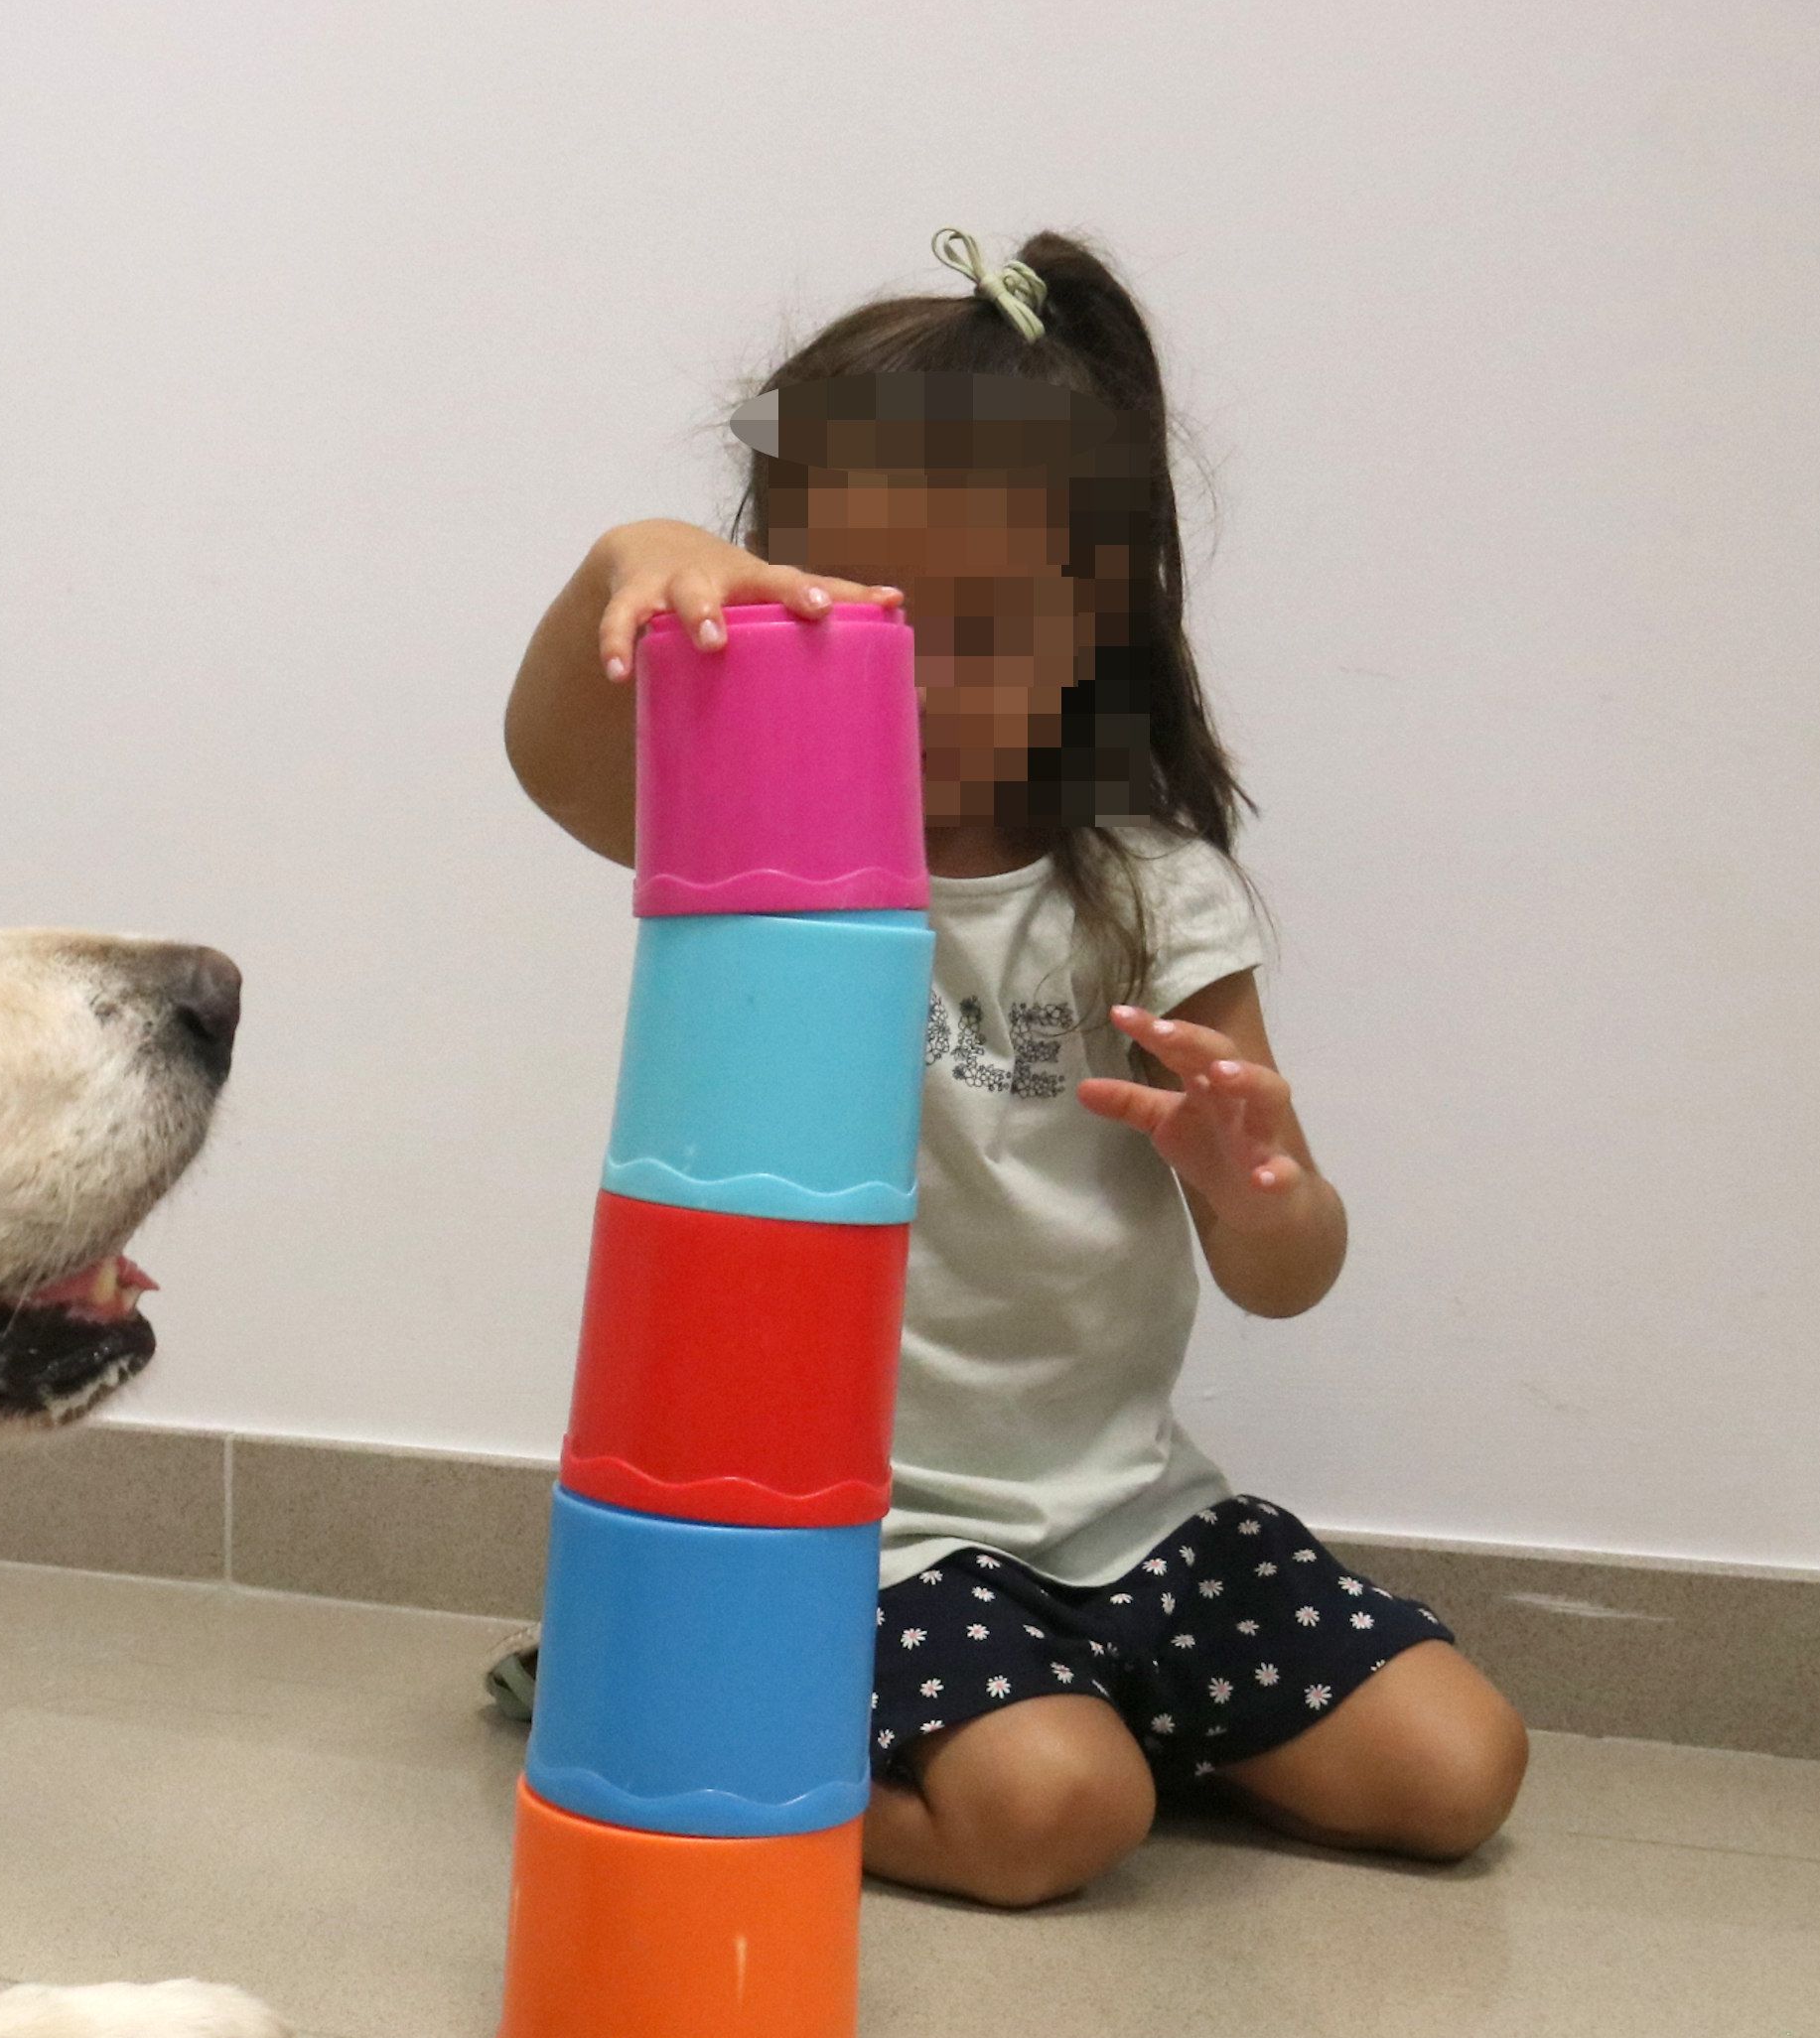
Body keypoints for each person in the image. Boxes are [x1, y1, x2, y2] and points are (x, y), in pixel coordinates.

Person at [496, 228, 1525, 1909]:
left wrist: (1254, 1181)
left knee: (1457, 1774)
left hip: (1131, 1514)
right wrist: (634, 546)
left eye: (977, 627)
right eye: (869, 613)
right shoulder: (773, 843)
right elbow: (553, 754)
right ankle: (671, 1713)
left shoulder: (1148, 889)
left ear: (1092, 618)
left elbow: (1285, 1275)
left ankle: (1071, 1704)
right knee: (1058, 1823)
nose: (918, 673)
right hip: (876, 1537)